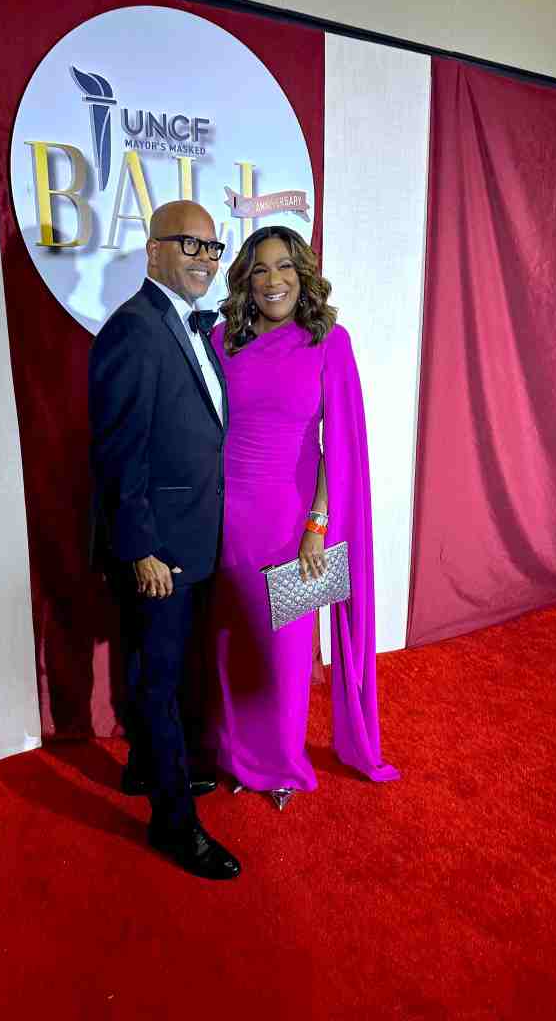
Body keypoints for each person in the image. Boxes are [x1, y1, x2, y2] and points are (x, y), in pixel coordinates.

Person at [207, 225, 399, 810]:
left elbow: (337, 446)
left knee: (287, 653)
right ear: (246, 281)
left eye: (285, 266)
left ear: (303, 275)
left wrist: (318, 524)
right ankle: (233, 755)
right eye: (261, 269)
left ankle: (282, 764)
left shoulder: (329, 342)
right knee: (232, 639)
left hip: (291, 519)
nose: (274, 280)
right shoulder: (221, 341)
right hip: (225, 515)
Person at [89, 201, 241, 879]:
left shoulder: (188, 325)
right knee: (160, 682)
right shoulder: (135, 329)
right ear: (153, 251)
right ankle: (174, 826)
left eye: (212, 248)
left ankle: (146, 770)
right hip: (159, 548)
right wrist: (141, 549)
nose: (204, 258)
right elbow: (118, 452)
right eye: (189, 244)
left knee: (160, 667)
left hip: (192, 536)